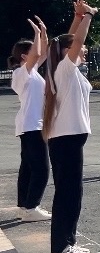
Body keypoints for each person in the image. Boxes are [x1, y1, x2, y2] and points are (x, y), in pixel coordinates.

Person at [43, 0, 96, 253]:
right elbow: (74, 41)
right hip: (67, 139)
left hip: (67, 139)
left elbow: (67, 40)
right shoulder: (65, 69)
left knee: (70, 191)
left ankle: (65, 243)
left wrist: (77, 17)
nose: (84, 49)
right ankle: (61, 247)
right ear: (67, 51)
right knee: (69, 193)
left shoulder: (62, 69)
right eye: (78, 47)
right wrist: (88, 16)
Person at [10, 17, 51, 222]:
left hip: (30, 124)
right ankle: (31, 206)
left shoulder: (31, 71)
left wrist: (43, 33)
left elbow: (42, 53)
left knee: (28, 167)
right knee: (41, 169)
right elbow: (37, 54)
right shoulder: (21, 72)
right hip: (31, 125)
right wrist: (36, 34)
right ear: (24, 56)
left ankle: (24, 205)